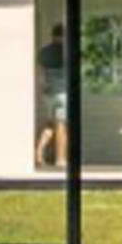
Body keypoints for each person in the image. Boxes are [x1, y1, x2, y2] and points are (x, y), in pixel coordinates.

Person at [33, 20, 72, 169]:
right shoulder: (66, 51)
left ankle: (38, 152)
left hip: (48, 93)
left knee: (51, 123)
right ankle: (61, 159)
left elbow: (40, 72)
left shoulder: (43, 52)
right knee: (61, 125)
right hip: (62, 92)